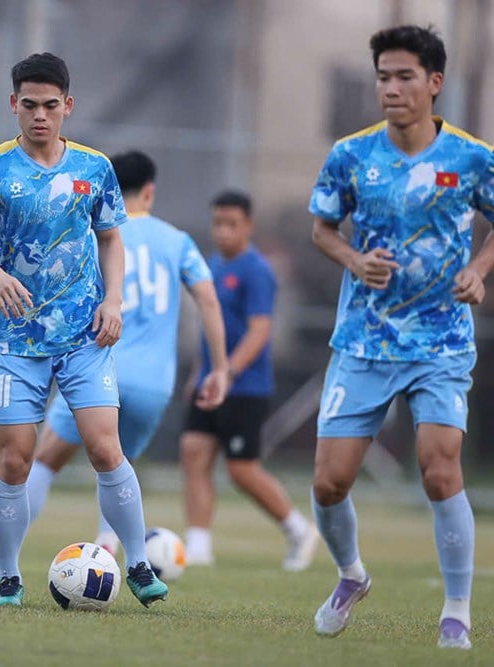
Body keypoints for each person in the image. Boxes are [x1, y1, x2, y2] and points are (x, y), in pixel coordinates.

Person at [0, 52, 170, 608]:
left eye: (51, 105)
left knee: (104, 447)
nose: (40, 115)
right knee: (16, 460)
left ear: (68, 106)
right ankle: (9, 576)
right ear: (13, 104)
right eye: (29, 105)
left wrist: (114, 299)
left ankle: (138, 564)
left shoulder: (95, 170)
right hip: (15, 341)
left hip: (84, 338)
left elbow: (112, 238)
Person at [308, 25, 493, 650]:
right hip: (363, 340)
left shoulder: (471, 157)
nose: (391, 87)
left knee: (440, 469)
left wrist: (478, 269)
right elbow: (322, 229)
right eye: (383, 76)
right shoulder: (351, 155)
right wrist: (353, 261)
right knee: (329, 483)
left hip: (441, 343)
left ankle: (457, 613)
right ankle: (351, 576)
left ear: (434, 83)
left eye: (404, 76)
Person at [16, 150, 229, 563]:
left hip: (98, 369)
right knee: (118, 467)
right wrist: (219, 368)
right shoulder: (176, 240)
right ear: (150, 191)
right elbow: (208, 300)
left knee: (44, 459)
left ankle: (5, 552)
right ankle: (108, 546)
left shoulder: (96, 234)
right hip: (154, 383)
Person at [179, 191, 318, 571]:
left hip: (245, 386)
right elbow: (210, 330)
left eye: (231, 224)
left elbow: (260, 332)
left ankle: (298, 529)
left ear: (248, 226)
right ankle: (198, 546)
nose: (223, 231)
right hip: (211, 382)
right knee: (194, 452)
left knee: (241, 469)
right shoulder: (210, 265)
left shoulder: (257, 271)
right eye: (218, 223)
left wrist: (227, 371)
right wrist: (200, 372)